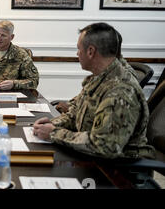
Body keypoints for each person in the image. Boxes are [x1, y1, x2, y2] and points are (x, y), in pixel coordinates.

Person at [33, 23, 155, 159]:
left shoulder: (119, 91)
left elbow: (105, 146)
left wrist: (54, 133)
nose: (77, 53)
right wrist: (51, 124)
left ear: (90, 51)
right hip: (89, 157)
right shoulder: (99, 78)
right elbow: (75, 114)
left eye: (79, 49)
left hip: (117, 171)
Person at [55, 29, 136, 114]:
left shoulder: (121, 81)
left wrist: (70, 110)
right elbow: (84, 97)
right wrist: (70, 105)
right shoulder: (105, 70)